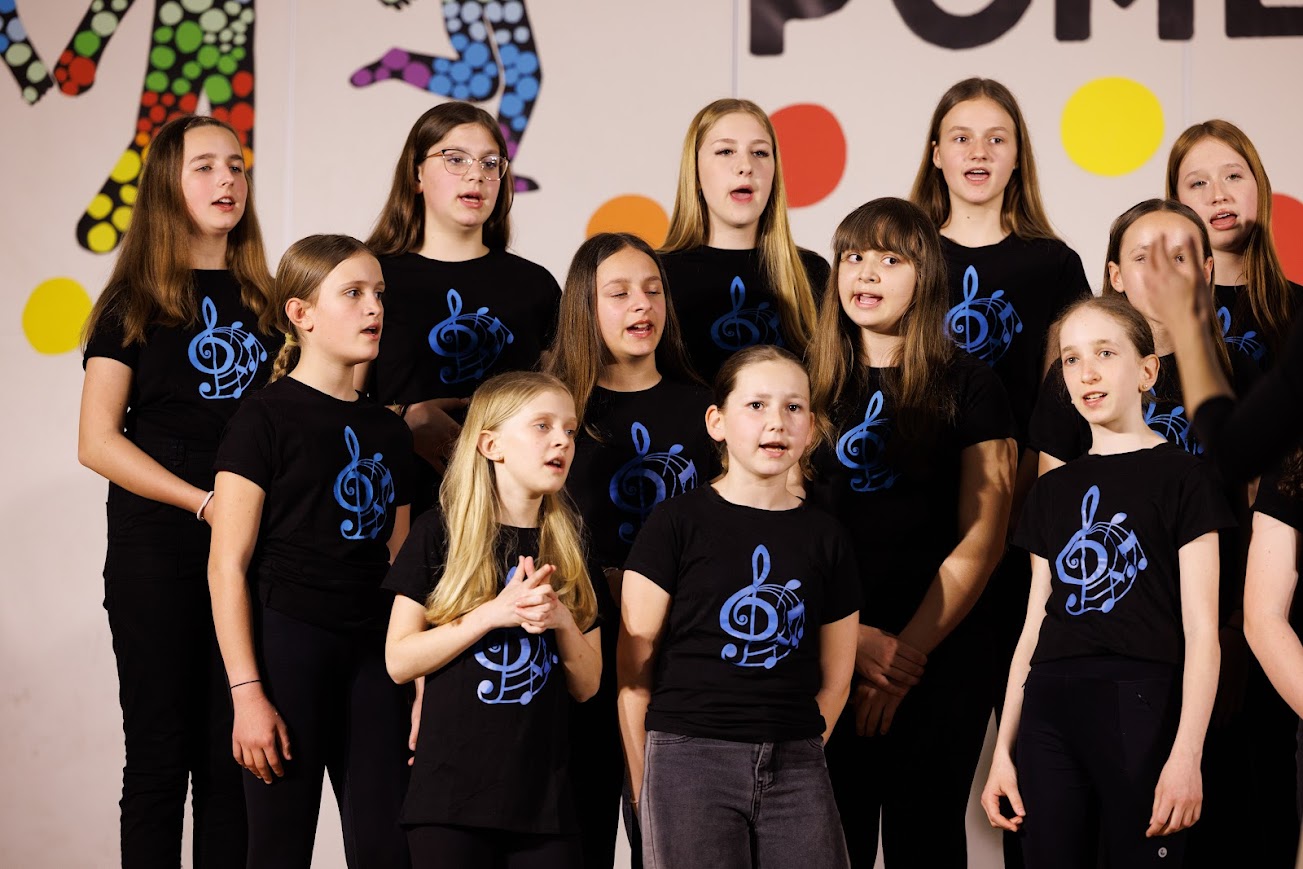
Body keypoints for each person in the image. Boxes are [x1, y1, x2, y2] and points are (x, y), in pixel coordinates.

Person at [78, 113, 278, 868]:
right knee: (160, 756)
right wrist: (202, 502)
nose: (227, 180)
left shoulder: (271, 303)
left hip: (252, 548)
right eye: (205, 167)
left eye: (236, 166)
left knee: (235, 762)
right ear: (167, 183)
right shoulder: (132, 302)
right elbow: (97, 441)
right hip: (158, 549)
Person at [983, 293, 1229, 868]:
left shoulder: (1186, 478)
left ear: (1147, 371)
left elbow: (1203, 631)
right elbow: (1033, 626)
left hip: (1141, 705)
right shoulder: (1051, 491)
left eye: (1105, 353)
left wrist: (1187, 754)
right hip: (1048, 708)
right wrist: (1003, 751)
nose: (1086, 372)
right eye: (1071, 359)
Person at [806, 197, 1016, 866]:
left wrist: (902, 661)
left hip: (940, 655)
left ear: (925, 276)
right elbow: (779, 530)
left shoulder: (972, 385)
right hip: (827, 649)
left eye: (890, 259)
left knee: (925, 840)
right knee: (825, 842)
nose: (866, 273)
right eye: (853, 256)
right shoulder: (804, 384)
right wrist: (854, 642)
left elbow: (983, 538)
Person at [208, 235, 414, 868]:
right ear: (301, 314)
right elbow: (227, 565)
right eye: (352, 294)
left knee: (388, 849)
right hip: (287, 650)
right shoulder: (262, 418)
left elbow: (400, 563)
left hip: (373, 656)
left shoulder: (389, 429)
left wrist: (418, 679)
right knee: (279, 848)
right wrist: (247, 694)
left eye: (378, 293)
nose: (373, 308)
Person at [619, 345, 860, 869]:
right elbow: (632, 677)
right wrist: (644, 786)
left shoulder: (828, 537)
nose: (777, 422)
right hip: (688, 761)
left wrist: (799, 746)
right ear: (717, 422)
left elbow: (837, 679)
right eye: (756, 405)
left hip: (797, 761)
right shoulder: (674, 524)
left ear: (811, 428)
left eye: (794, 407)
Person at [383, 371, 603, 868]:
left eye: (569, 430)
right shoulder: (439, 532)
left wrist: (562, 621)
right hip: (450, 802)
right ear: (491, 445)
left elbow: (588, 685)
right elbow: (399, 660)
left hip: (545, 805)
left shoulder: (571, 545)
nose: (562, 441)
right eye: (542, 426)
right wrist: (492, 613)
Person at [546, 232, 714, 866]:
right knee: (578, 832)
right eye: (618, 293)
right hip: (578, 640)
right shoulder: (556, 408)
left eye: (652, 289)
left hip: (679, 645)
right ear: (584, 308)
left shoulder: (705, 409)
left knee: (668, 838)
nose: (641, 305)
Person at [365, 100, 561, 510]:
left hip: (509, 508)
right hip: (396, 506)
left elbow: (560, 406)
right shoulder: (372, 278)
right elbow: (330, 406)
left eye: (490, 163)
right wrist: (405, 419)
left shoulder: (535, 285)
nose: (476, 175)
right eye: (455, 159)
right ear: (416, 174)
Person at [659, 98, 827, 383]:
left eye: (760, 152)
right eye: (725, 151)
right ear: (694, 172)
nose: (746, 166)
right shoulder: (657, 275)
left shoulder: (812, 273)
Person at [1167, 119, 1301, 370]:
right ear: (1176, 203)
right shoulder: (1152, 311)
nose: (1218, 195)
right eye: (1198, 183)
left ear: (1260, 186)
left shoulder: (1297, 309)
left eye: (1233, 176)